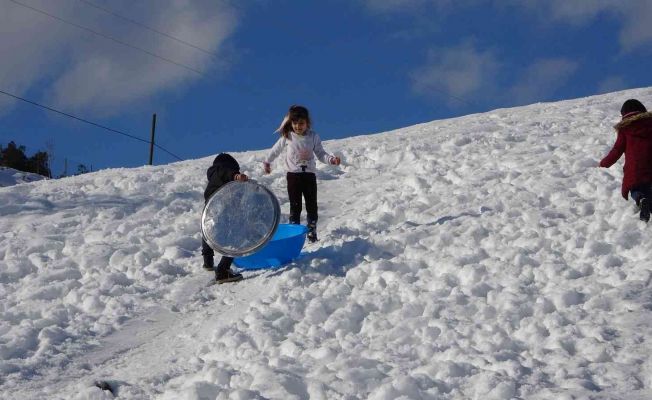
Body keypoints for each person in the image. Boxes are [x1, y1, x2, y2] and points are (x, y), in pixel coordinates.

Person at [263, 105, 341, 242]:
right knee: (295, 205)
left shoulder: (313, 136)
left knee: (312, 204)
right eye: (295, 123)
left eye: (301, 124)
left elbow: (320, 153)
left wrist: (331, 160)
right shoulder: (287, 137)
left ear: (307, 123)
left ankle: (312, 230)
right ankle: (294, 232)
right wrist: (267, 162)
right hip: (293, 176)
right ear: (291, 123)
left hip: (309, 175)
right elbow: (274, 151)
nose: (298, 126)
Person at [599, 99, 652, 222]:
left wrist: (604, 163)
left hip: (635, 168)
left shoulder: (625, 129)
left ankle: (640, 199)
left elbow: (617, 149)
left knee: (636, 188)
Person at [202, 153, 248, 283]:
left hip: (209, 210)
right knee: (237, 236)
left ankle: (208, 262)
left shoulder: (213, 177)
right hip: (223, 209)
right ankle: (223, 271)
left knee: (207, 233)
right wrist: (237, 175)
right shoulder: (222, 170)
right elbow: (228, 173)